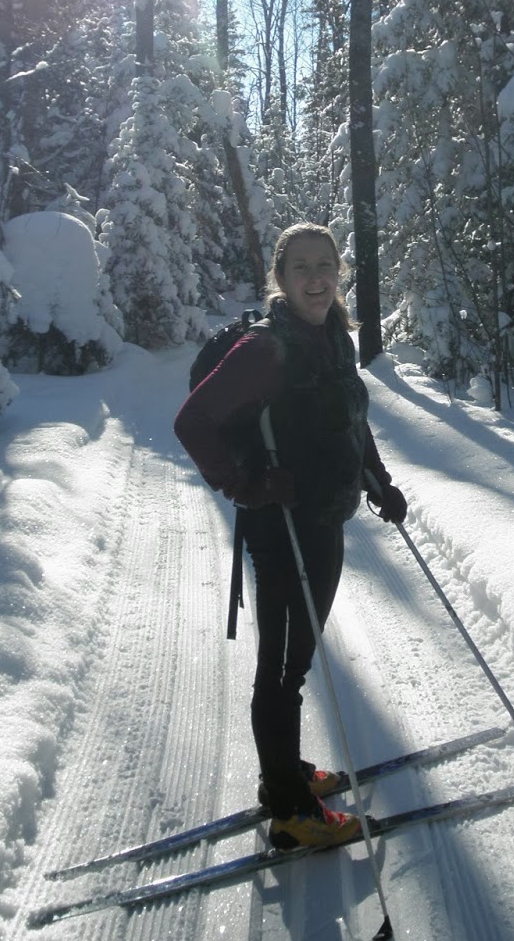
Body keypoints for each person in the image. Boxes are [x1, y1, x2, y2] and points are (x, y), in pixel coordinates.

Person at [174, 223, 408, 850]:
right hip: (282, 533)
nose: (315, 277)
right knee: (281, 672)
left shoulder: (334, 340)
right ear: (279, 278)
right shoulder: (265, 352)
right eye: (300, 266)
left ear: (340, 273)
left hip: (325, 520)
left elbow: (348, 421)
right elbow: (193, 421)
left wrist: (377, 479)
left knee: (293, 663)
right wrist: (248, 486)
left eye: (325, 264)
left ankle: (286, 771)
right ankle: (288, 810)